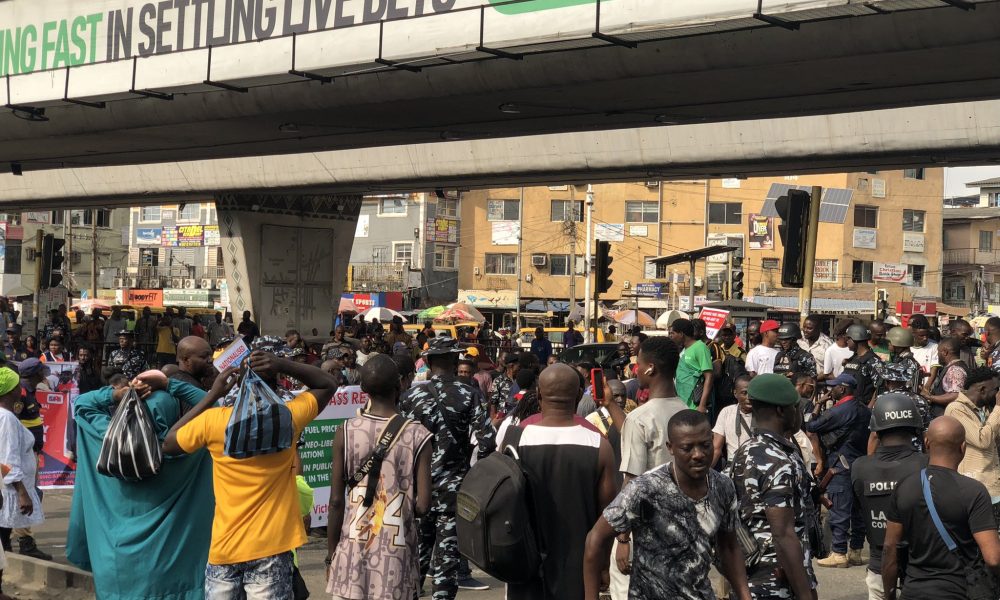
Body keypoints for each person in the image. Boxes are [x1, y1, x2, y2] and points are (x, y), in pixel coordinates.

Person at [164, 350, 338, 598]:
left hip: (224, 548)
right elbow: (328, 384)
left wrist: (213, 394)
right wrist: (281, 363)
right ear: (276, 384)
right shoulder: (288, 419)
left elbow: (169, 443)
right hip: (272, 548)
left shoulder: (214, 422)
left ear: (239, 384)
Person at [67, 370, 215, 600]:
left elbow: (82, 405)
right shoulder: (189, 450)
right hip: (174, 578)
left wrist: (118, 395)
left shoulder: (104, 443)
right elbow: (216, 408)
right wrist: (169, 385)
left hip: (115, 569)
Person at [584, 409, 751, 600]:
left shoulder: (723, 486)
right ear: (670, 448)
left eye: (705, 445)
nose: (698, 454)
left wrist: (745, 596)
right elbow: (595, 539)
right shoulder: (645, 489)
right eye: (687, 448)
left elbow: (729, 547)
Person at [504, 363, 617, 600]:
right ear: (578, 395)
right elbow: (607, 515)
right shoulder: (599, 445)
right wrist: (604, 566)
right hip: (579, 565)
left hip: (526, 562)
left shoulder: (514, 440)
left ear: (538, 395)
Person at [325, 355, 433, 600]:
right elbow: (424, 505)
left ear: (363, 389)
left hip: (352, 553)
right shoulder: (418, 435)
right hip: (396, 558)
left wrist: (331, 555)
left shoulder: (345, 431)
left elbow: (335, 502)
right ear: (400, 386)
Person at [398, 337, 496, 600]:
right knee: (447, 558)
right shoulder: (470, 394)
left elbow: (399, 444)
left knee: (414, 555)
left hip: (417, 490)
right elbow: (487, 442)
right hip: (454, 489)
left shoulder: (411, 396)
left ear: (428, 363)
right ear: (455, 362)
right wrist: (472, 475)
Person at [882, 416, 1000, 599]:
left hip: (913, 591)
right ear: (963, 448)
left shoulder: (904, 487)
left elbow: (890, 548)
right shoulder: (974, 491)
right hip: (959, 592)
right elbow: (993, 558)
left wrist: (889, 594)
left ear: (926, 442)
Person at [730, 374, 818, 600]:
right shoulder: (777, 461)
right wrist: (805, 594)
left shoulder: (746, 450)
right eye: (795, 407)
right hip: (777, 583)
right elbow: (783, 534)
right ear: (782, 411)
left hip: (749, 578)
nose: (798, 413)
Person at [611, 337, 686, 599]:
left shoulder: (639, 418)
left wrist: (623, 539)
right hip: (682, 530)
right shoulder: (687, 412)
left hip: (644, 532)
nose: (635, 369)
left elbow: (631, 484)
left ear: (650, 368)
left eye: (638, 364)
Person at [852, 393, 928, 600]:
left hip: (879, 566)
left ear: (876, 428)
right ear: (915, 425)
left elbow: (858, 509)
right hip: (920, 569)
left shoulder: (859, 467)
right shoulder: (926, 465)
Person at [807, 372, 872, 569]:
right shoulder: (864, 410)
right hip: (860, 464)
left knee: (839, 510)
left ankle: (839, 552)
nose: (830, 389)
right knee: (858, 511)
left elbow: (811, 425)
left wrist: (818, 405)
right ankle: (856, 552)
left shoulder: (839, 410)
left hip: (840, 465)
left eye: (834, 386)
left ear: (842, 388)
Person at [0, 366, 45, 564]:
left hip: (9, 486)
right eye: (18, 385)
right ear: (11, 390)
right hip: (10, 488)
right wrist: (22, 492)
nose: (21, 388)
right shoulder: (7, 418)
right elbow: (8, 458)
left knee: (3, 537)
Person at [944, 367, 1000, 517]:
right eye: (996, 389)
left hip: (992, 486)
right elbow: (983, 440)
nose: (997, 394)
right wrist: (999, 408)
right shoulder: (956, 409)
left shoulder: (984, 410)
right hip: (976, 488)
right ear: (982, 389)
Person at [669, 318, 714, 412]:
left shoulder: (700, 347)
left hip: (694, 405)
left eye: (673, 333)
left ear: (681, 334)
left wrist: (702, 405)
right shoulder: (683, 350)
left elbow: (709, 376)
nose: (671, 336)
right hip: (682, 403)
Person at [712, 374, 753, 469]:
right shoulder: (727, 412)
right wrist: (706, 474)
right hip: (734, 468)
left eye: (752, 393)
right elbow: (716, 449)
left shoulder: (763, 413)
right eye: (744, 393)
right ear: (735, 393)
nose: (749, 397)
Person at [925, 337, 968, 418]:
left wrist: (929, 397)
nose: (937, 354)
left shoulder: (955, 370)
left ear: (945, 352)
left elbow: (955, 395)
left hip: (947, 418)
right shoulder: (952, 367)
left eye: (938, 351)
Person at [843, 323, 883, 406]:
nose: (846, 341)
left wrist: (869, 408)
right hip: (849, 406)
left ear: (856, 339)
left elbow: (880, 387)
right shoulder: (854, 358)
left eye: (848, 338)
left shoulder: (873, 361)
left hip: (863, 407)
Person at [886, 327, 921, 394]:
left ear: (897, 343)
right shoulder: (900, 359)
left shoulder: (907, 362)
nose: (888, 344)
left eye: (889, 342)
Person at [488, 353, 520, 424]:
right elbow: (493, 402)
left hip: (517, 418)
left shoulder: (520, 381)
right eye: (518, 366)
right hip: (502, 418)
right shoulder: (498, 380)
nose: (519, 368)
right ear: (512, 366)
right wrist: (493, 419)